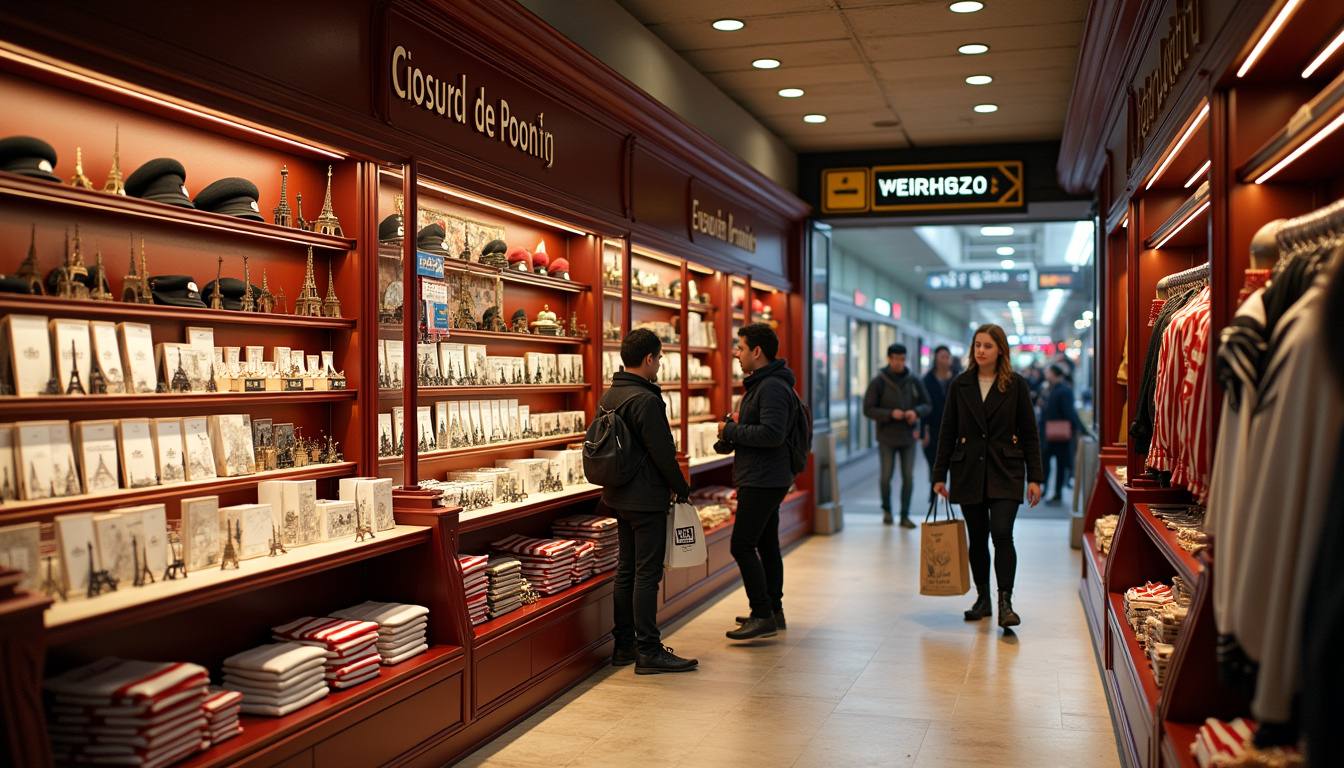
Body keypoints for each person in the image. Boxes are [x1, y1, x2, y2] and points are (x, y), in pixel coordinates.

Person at [598, 328, 697, 674]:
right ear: (649, 358)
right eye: (660, 358)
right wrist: (682, 488)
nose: (660, 364)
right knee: (646, 575)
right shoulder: (646, 399)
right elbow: (663, 453)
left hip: (618, 495)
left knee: (626, 570)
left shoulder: (610, 395)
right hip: (645, 498)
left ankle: (624, 646)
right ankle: (649, 651)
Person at [933, 324, 1044, 629]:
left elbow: (1030, 433)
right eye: (977, 345)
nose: (981, 351)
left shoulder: (1016, 385)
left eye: (987, 346)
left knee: (1002, 532)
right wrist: (939, 474)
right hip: (968, 470)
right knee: (978, 538)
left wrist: (1035, 477)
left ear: (1000, 351)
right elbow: (947, 431)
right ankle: (983, 599)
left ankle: (1005, 602)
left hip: (1005, 470)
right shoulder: (960, 384)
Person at [718, 323, 799, 640]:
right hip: (766, 476)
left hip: (764, 478)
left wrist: (731, 430)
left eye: (740, 348)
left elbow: (772, 434)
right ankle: (773, 611)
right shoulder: (765, 384)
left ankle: (762, 613)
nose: (736, 353)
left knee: (741, 545)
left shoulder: (771, 386)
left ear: (757, 351)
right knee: (766, 544)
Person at [862, 343, 931, 527]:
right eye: (895, 359)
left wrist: (915, 412)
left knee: (908, 477)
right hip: (886, 437)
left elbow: (927, 405)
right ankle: (887, 511)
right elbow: (868, 409)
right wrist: (890, 414)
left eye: (902, 359)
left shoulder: (913, 381)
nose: (899, 363)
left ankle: (905, 515)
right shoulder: (878, 382)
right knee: (886, 477)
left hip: (908, 437)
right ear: (889, 359)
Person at [1039, 363, 1088, 505]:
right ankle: (1046, 489)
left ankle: (1057, 493)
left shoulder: (1064, 390)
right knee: (1047, 462)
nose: (1046, 375)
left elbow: (1069, 411)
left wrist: (1080, 428)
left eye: (1049, 373)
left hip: (1059, 433)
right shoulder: (1050, 389)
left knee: (1060, 464)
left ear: (1056, 375)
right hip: (1049, 432)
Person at [921, 345, 955, 507]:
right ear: (935, 359)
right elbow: (923, 407)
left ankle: (953, 493)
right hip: (934, 427)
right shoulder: (927, 380)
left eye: (947, 357)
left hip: (954, 428)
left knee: (955, 462)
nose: (944, 360)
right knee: (934, 462)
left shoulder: (957, 379)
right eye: (942, 357)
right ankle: (934, 492)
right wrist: (924, 431)